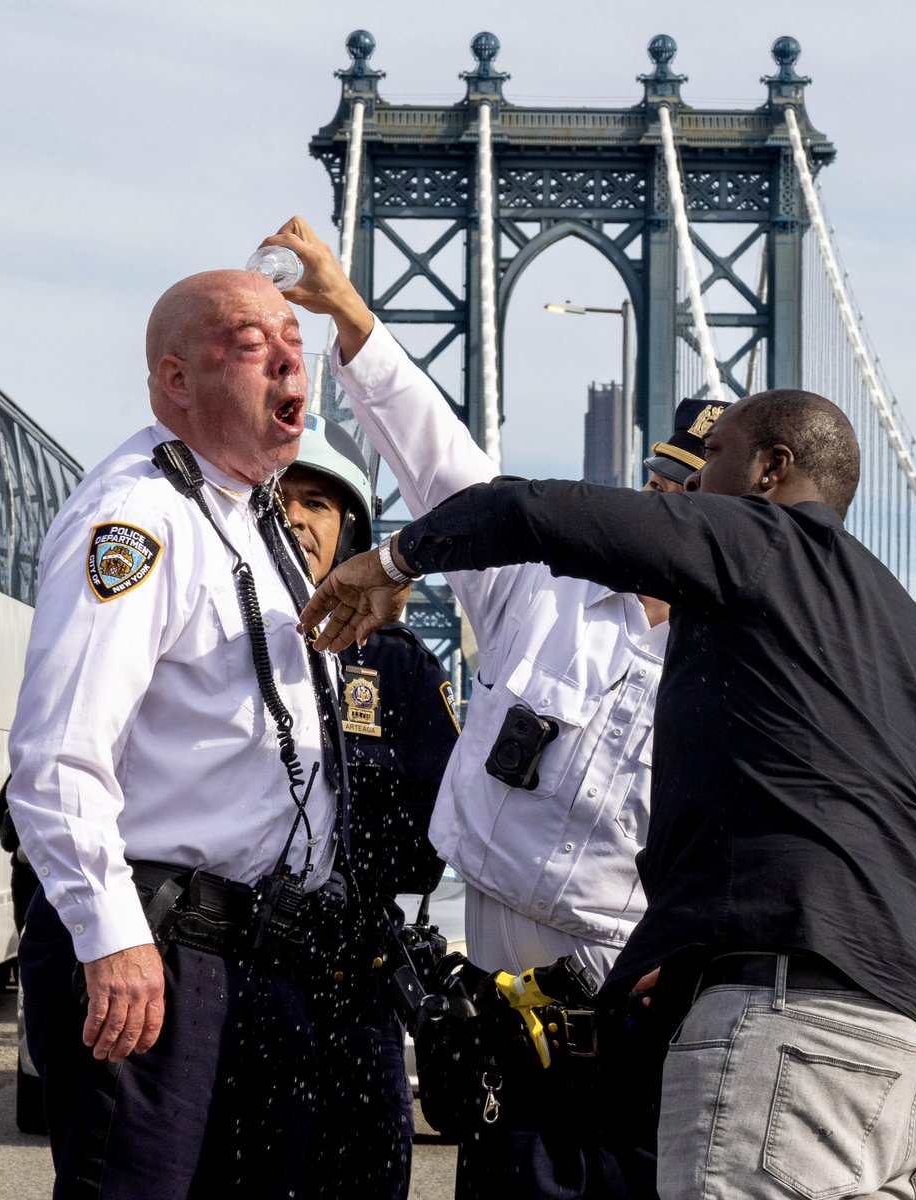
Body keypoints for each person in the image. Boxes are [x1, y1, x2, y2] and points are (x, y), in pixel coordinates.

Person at [301, 389, 916, 1200]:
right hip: (906, 1051)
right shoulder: (913, 637)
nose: (687, 497)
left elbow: (524, 510)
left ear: (771, 471)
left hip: (781, 1030)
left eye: (712, 463)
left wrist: (393, 561)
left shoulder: (753, 539)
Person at [262, 216, 681, 1199]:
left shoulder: (738, 667)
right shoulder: (544, 590)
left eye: (696, 499)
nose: (671, 511)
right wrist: (352, 315)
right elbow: (442, 467)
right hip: (504, 1051)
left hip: (642, 1043)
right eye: (661, 489)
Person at [7, 268, 351, 1198]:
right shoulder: (139, 517)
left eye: (293, 338)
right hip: (162, 952)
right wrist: (113, 938)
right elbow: (57, 754)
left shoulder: (246, 519)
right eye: (249, 343)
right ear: (175, 381)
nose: (288, 357)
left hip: (257, 952)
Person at [278, 412, 460, 1199]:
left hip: (354, 980)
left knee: (369, 1179)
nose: (294, 515)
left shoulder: (398, 668)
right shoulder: (191, 640)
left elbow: (440, 832)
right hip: (223, 966)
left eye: (318, 503)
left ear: (350, 528)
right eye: (280, 497)